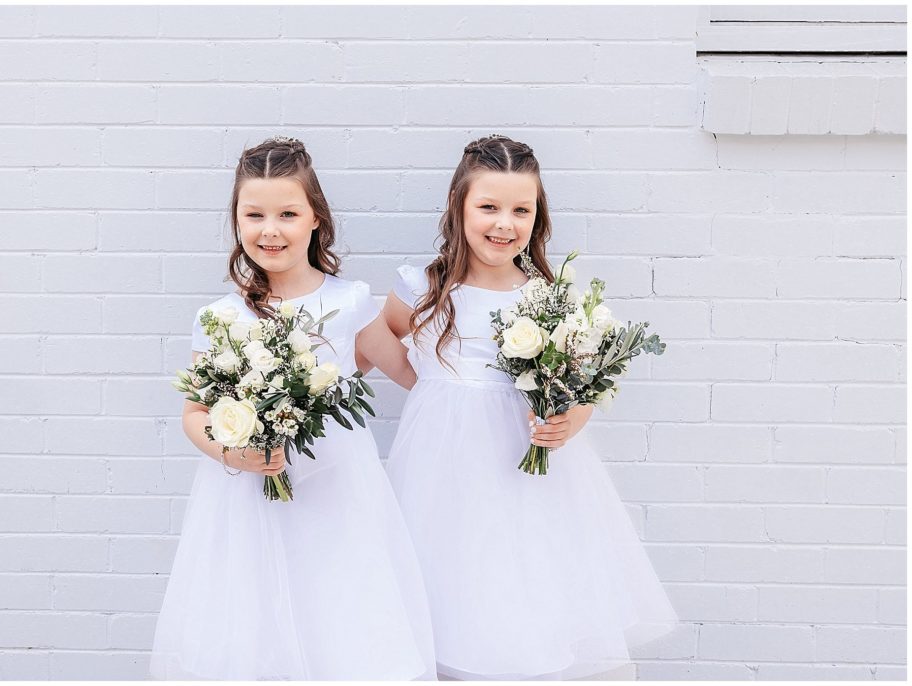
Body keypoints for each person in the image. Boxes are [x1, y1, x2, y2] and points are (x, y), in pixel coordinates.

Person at [359, 134, 679, 680]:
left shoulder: (548, 297)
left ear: (538, 217)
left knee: (522, 588)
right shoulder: (425, 288)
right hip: (441, 472)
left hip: (526, 473)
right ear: (459, 208)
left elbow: (581, 389)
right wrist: (433, 386)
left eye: (520, 210)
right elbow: (373, 342)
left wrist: (570, 420)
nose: (503, 223)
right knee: (446, 584)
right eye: (488, 207)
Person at [150, 137, 436, 680]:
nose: (270, 229)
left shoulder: (350, 301)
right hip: (249, 499)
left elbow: (415, 376)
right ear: (236, 222)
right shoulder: (220, 317)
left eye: (287, 213)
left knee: (339, 620)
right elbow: (194, 414)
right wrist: (234, 454)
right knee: (258, 628)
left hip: (337, 493)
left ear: (315, 219)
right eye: (253, 215)